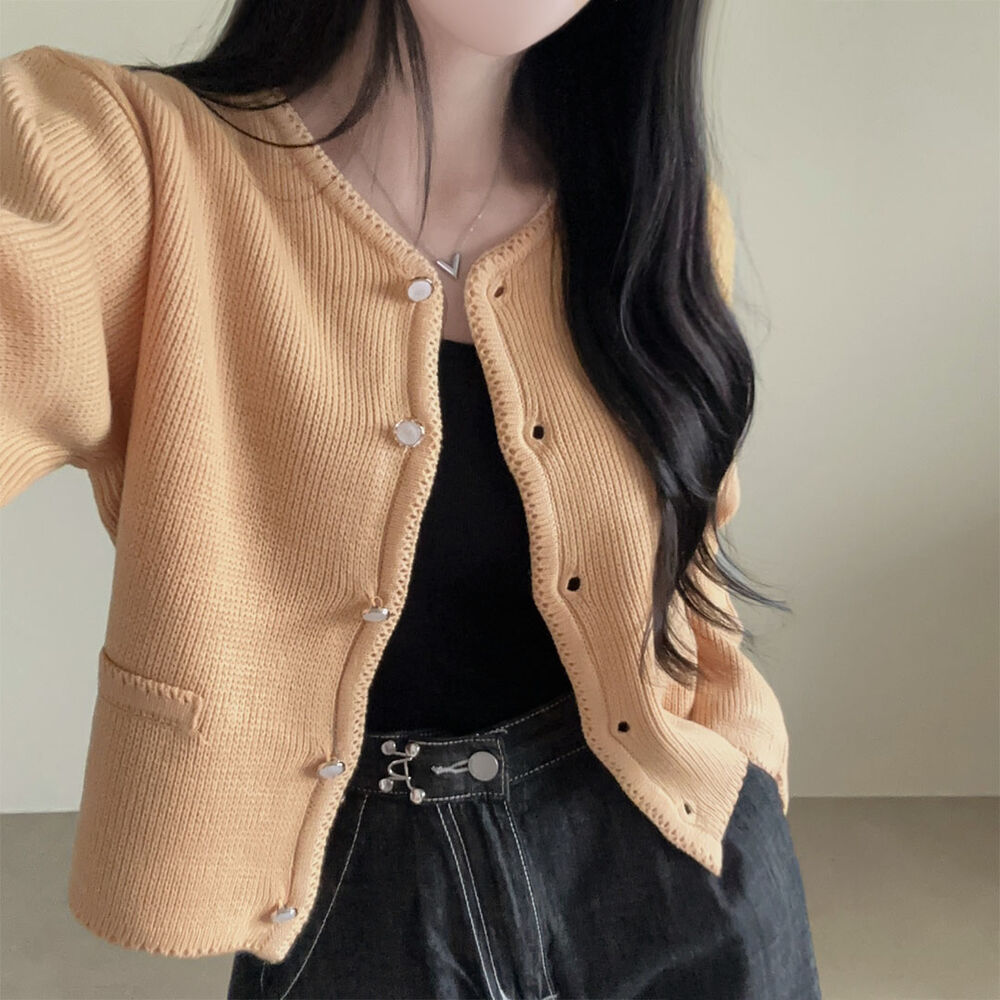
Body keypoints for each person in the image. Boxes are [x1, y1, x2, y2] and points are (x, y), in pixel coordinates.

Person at [0, 1, 822, 997]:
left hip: (678, 865)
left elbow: (688, 551)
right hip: (353, 896)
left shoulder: (651, 208)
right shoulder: (129, 163)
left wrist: (743, 764)